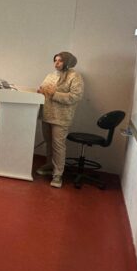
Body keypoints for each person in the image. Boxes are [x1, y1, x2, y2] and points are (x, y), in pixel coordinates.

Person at [37, 51, 84, 188]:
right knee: (49, 142)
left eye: (60, 61)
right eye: (55, 60)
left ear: (68, 62)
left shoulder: (75, 76)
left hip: (61, 117)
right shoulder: (50, 75)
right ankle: (49, 165)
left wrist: (54, 94)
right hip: (47, 114)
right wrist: (41, 91)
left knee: (58, 146)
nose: (56, 63)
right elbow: (43, 89)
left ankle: (58, 175)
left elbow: (75, 96)